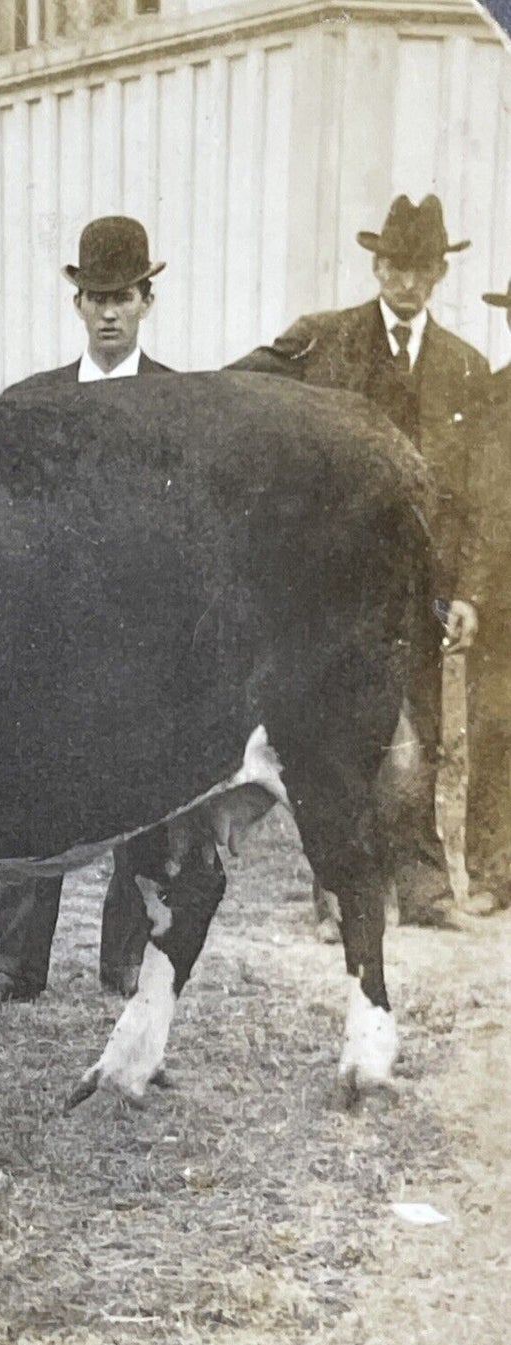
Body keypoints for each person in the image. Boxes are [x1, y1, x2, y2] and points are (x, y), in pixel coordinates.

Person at [234, 194, 488, 928]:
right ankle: (340, 886)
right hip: (334, 578)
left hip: (422, 585)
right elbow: (243, 388)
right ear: (375, 265)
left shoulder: (463, 367)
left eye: (420, 268)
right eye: (394, 265)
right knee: (335, 728)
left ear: (439, 273)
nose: (405, 280)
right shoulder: (321, 340)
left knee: (422, 731)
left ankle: (423, 886)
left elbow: (470, 498)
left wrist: (464, 592)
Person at [0, 216, 169, 1008]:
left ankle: (125, 968)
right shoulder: (28, 403)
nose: (108, 312)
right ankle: (13, 968)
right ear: (76, 301)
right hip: (42, 636)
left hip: (141, 638)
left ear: (147, 299)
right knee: (27, 794)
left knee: (146, 797)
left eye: (123, 297)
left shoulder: (179, 404)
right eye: (95, 297)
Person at [462, 280, 511, 908]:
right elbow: (480, 508)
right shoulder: (493, 399)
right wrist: (469, 596)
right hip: (502, 603)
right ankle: (491, 874)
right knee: (495, 729)